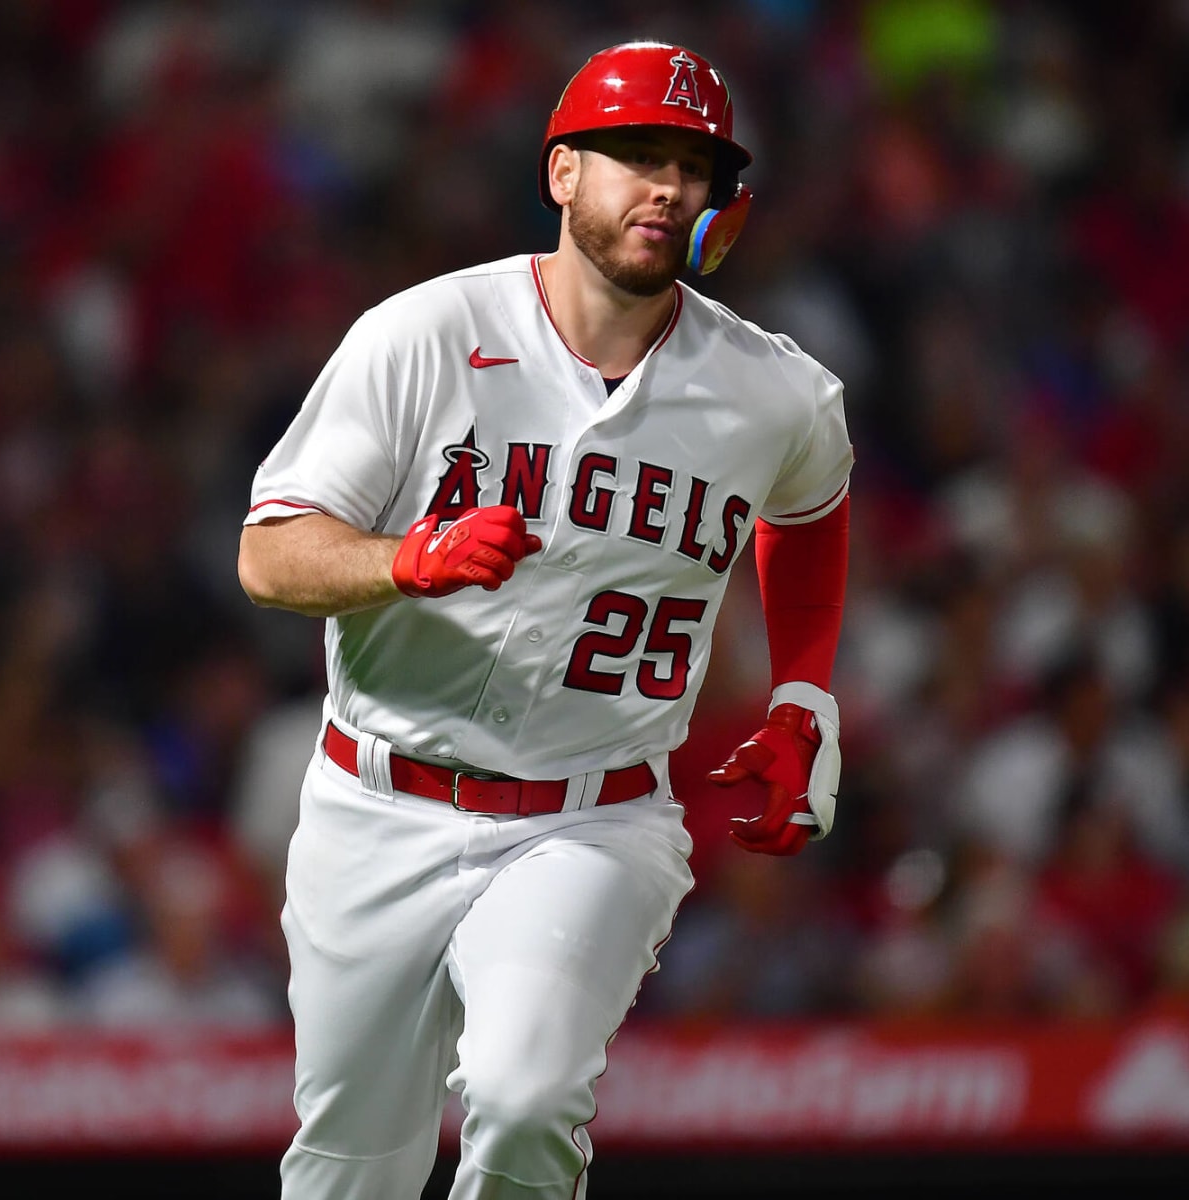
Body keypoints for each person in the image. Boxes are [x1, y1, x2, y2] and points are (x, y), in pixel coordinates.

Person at [237, 40, 852, 1200]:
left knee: (524, 1103)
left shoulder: (773, 391)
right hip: (377, 798)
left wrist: (802, 691)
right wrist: (400, 560)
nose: (666, 186)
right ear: (562, 171)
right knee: (348, 1165)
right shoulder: (421, 334)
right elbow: (268, 556)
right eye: (634, 155)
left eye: (691, 164)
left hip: (595, 816)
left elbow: (811, 507)